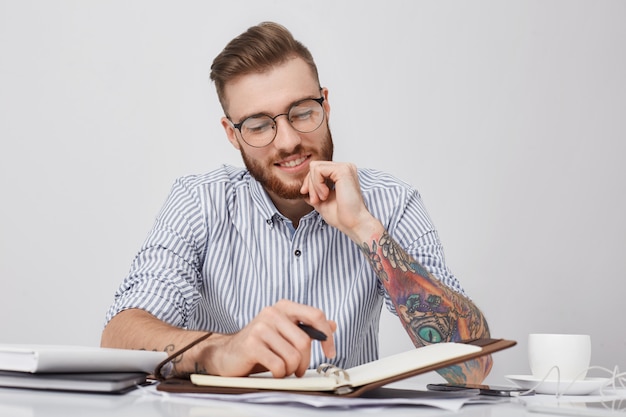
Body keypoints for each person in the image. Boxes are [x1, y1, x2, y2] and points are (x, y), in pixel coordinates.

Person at [101, 21, 492, 384]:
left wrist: (366, 230)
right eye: (258, 125)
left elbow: (470, 367)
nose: (287, 141)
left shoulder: (392, 201)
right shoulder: (198, 202)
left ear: (325, 104)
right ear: (232, 135)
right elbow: (119, 336)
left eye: (302, 112)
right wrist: (223, 350)